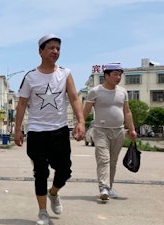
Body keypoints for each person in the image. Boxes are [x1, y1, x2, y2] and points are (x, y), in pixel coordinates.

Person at [14, 34, 85, 225]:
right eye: (51, 48)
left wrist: (81, 121)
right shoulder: (30, 77)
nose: (55, 52)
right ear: (40, 51)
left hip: (59, 130)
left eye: (58, 48)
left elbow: (74, 98)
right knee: (40, 172)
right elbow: (21, 104)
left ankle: (53, 193)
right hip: (37, 131)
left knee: (64, 171)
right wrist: (17, 129)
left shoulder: (65, 74)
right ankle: (43, 212)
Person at [83, 63, 137, 201]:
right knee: (104, 159)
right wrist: (81, 125)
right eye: (115, 74)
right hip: (100, 130)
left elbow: (127, 111)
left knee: (113, 162)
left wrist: (131, 129)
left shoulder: (122, 92)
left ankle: (109, 187)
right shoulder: (95, 91)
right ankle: (103, 187)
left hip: (118, 131)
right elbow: (87, 110)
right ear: (106, 76)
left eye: (120, 75)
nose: (118, 77)